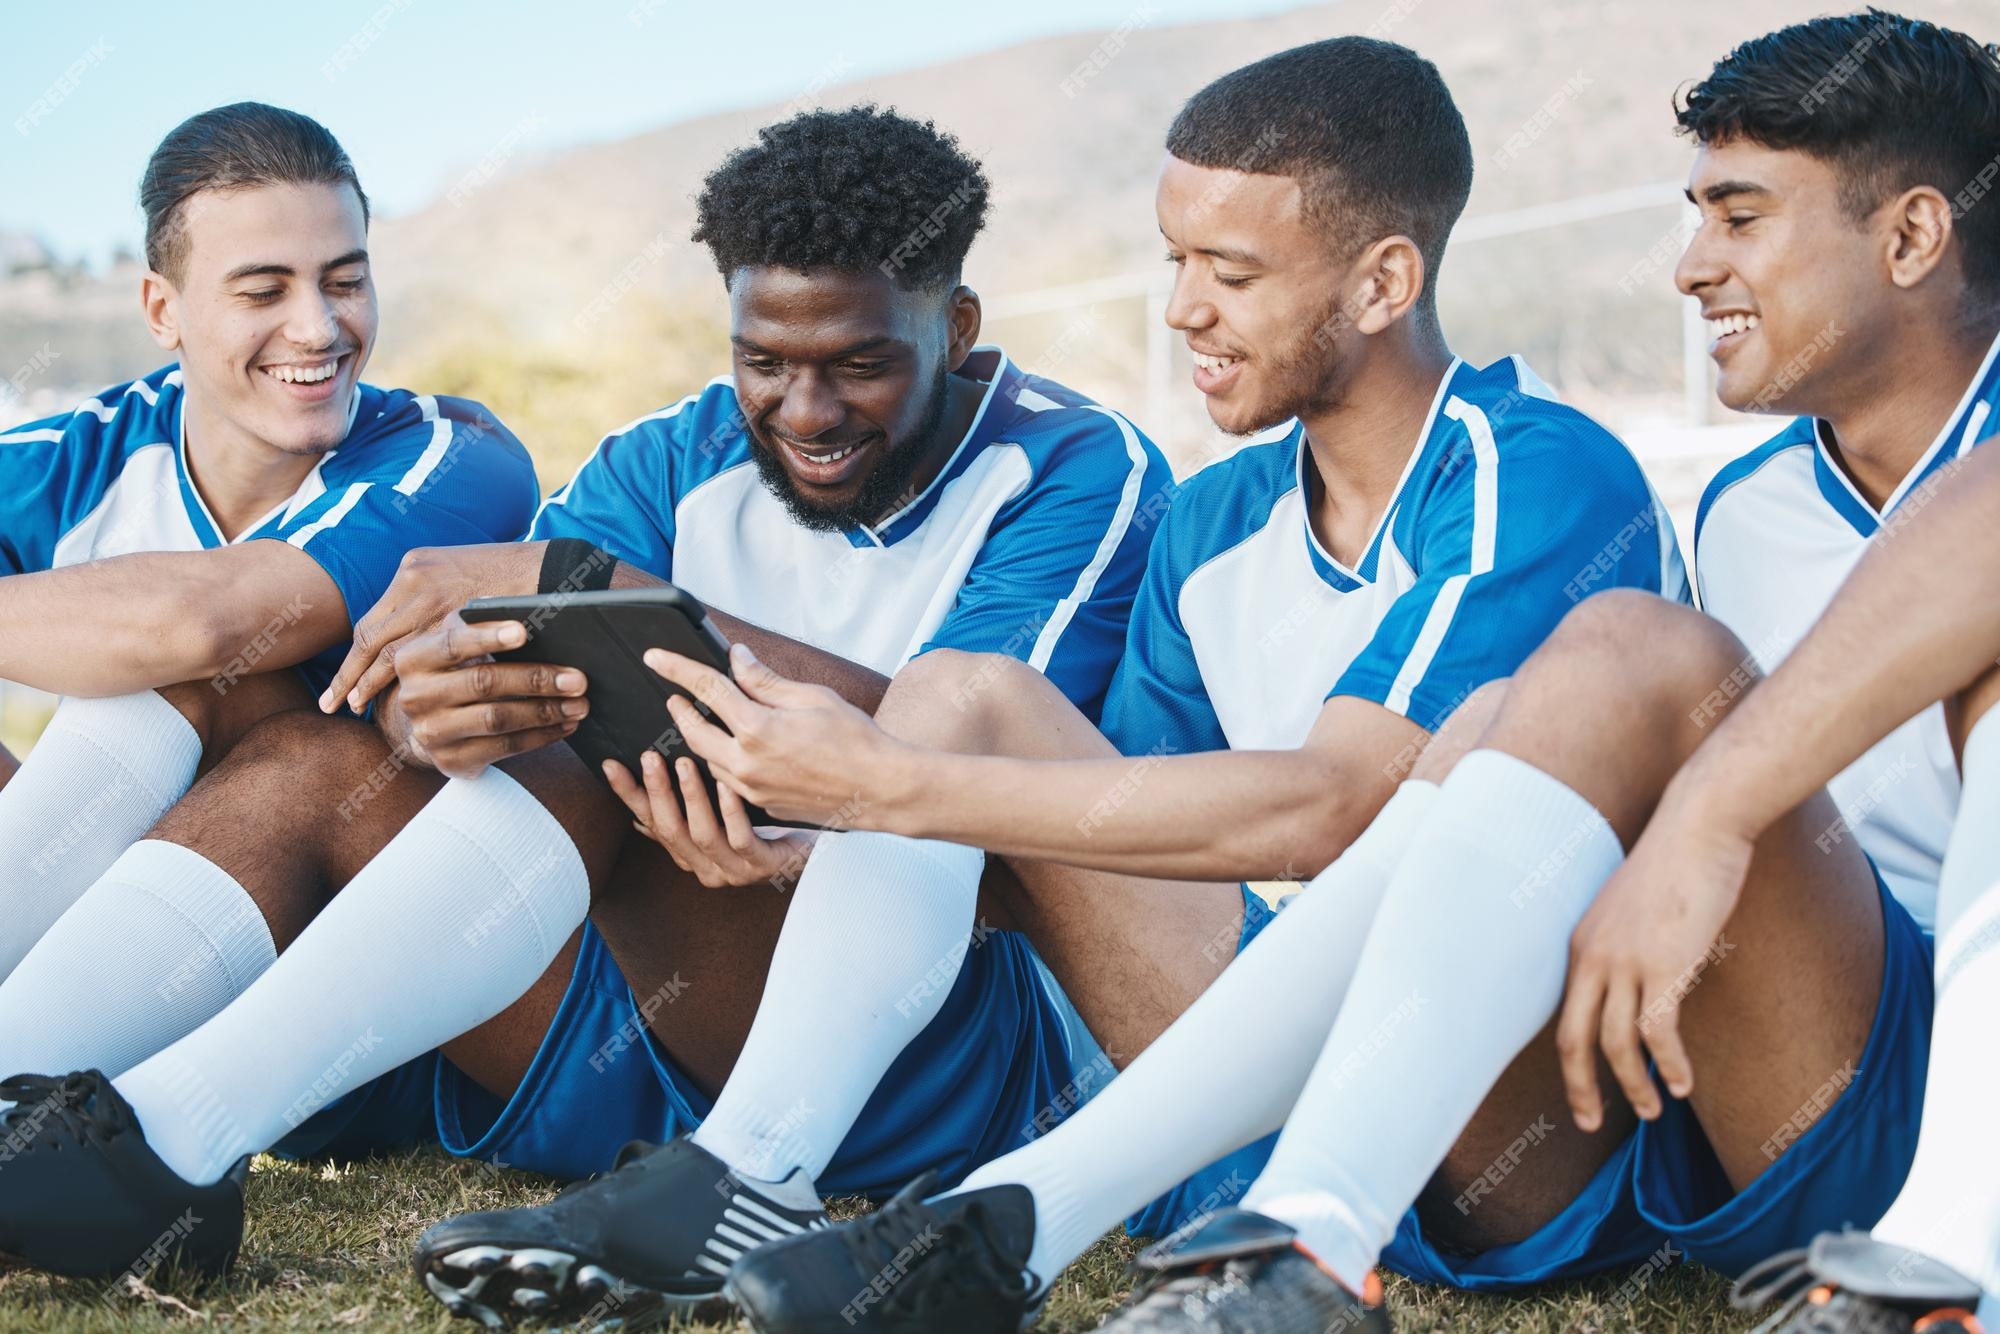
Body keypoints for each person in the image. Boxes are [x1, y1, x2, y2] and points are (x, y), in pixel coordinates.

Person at [711, 12, 2000, 1332]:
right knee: (1493, 711)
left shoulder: (1539, 468)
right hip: (1781, 1070)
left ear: (1908, 238)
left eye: (1738, 216)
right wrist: (878, 832)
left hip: (1807, 1099)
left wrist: (1713, 810)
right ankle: (1183, 1229)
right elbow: (1142, 843)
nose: (1689, 267)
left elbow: (1335, 805)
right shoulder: (1747, 501)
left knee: (1640, 650)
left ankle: (1957, 1257)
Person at [441, 35, 1685, 1332]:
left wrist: (895, 784)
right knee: (962, 689)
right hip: (1218, 1099)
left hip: (1487, 1118)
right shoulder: (1213, 522)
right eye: (1176, 263)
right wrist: (811, 838)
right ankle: (748, 1168)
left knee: (962, 728)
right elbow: (1078, 851)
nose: (1183, 310)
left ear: (1383, 281)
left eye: (1233, 272)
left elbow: (1337, 812)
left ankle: (1098, 1213)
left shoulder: (1529, 470)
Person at [0, 106, 1170, 1317]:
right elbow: (503, 668)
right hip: (615, 996)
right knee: (330, 750)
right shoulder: (659, 459)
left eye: (858, 364)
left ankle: (168, 1134)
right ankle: (86, 1138)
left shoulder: (1076, 468)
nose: (807, 409)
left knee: (571, 686)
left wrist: (613, 605)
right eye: (764, 360)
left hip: (924, 1049)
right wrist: (434, 718)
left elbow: (981, 763)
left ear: (956, 325)